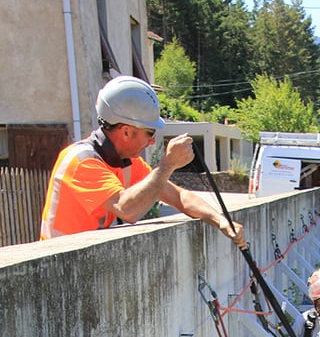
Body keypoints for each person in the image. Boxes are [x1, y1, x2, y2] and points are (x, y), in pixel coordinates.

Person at [40, 75, 246, 246]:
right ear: (126, 132)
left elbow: (179, 196)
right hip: (59, 270)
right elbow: (128, 210)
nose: (152, 141)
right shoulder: (82, 162)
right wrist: (167, 164)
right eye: (150, 132)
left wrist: (220, 221)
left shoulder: (126, 162)